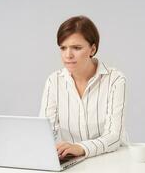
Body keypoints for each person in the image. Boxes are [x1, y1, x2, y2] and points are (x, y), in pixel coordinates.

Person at [39, 15, 128, 159]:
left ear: (92, 49)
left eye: (76, 48)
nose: (68, 55)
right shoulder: (54, 81)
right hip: (74, 161)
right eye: (63, 48)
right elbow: (45, 131)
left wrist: (80, 147)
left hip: (111, 159)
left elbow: (114, 136)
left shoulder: (115, 79)